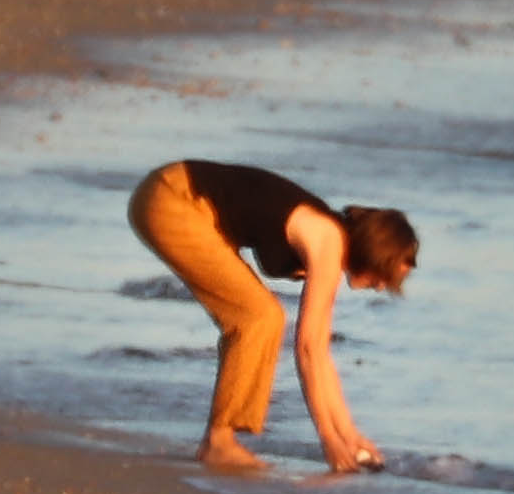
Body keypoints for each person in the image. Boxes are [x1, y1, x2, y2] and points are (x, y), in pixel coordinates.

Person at [128, 159, 416, 475]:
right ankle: (219, 443)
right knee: (260, 317)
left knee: (261, 316)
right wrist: (328, 440)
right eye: (386, 277)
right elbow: (307, 349)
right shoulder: (328, 241)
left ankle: (220, 440)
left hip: (170, 196)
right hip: (172, 198)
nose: (381, 287)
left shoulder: (328, 239)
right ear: (376, 253)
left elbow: (319, 351)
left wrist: (348, 434)